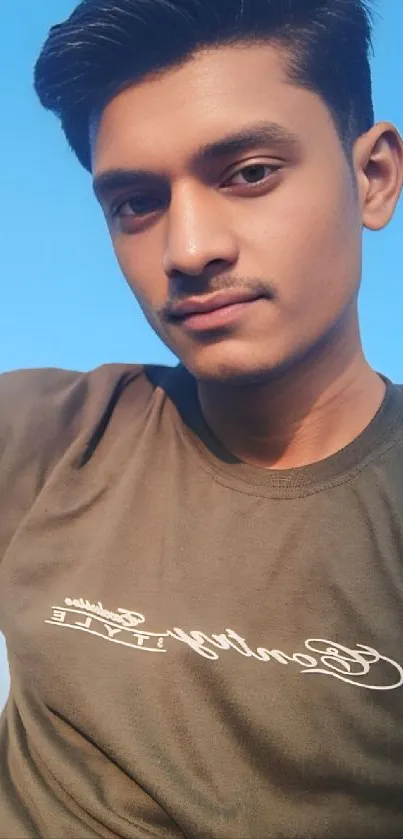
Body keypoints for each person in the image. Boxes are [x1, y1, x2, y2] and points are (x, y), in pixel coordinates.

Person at [1, 0, 403, 836]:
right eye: (135, 203)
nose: (187, 249)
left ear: (373, 177)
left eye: (250, 172)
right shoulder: (44, 436)